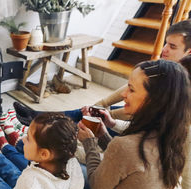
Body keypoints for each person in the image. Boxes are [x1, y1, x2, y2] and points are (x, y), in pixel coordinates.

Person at [76, 59, 191, 189]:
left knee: (59, 172)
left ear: (154, 101)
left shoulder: (125, 145)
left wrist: (89, 143)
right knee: (75, 168)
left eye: (131, 89)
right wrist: (106, 132)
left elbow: (98, 187)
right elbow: (128, 164)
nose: (123, 94)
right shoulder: (176, 138)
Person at [14, 19, 191, 125]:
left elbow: (139, 113)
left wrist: (102, 114)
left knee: (89, 118)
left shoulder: (181, 86)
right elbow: (130, 87)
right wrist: (99, 105)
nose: (164, 49)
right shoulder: (168, 66)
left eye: (172, 46)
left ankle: (44, 125)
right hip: (134, 116)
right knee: (85, 111)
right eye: (166, 43)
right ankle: (40, 118)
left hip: (144, 127)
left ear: (189, 52)